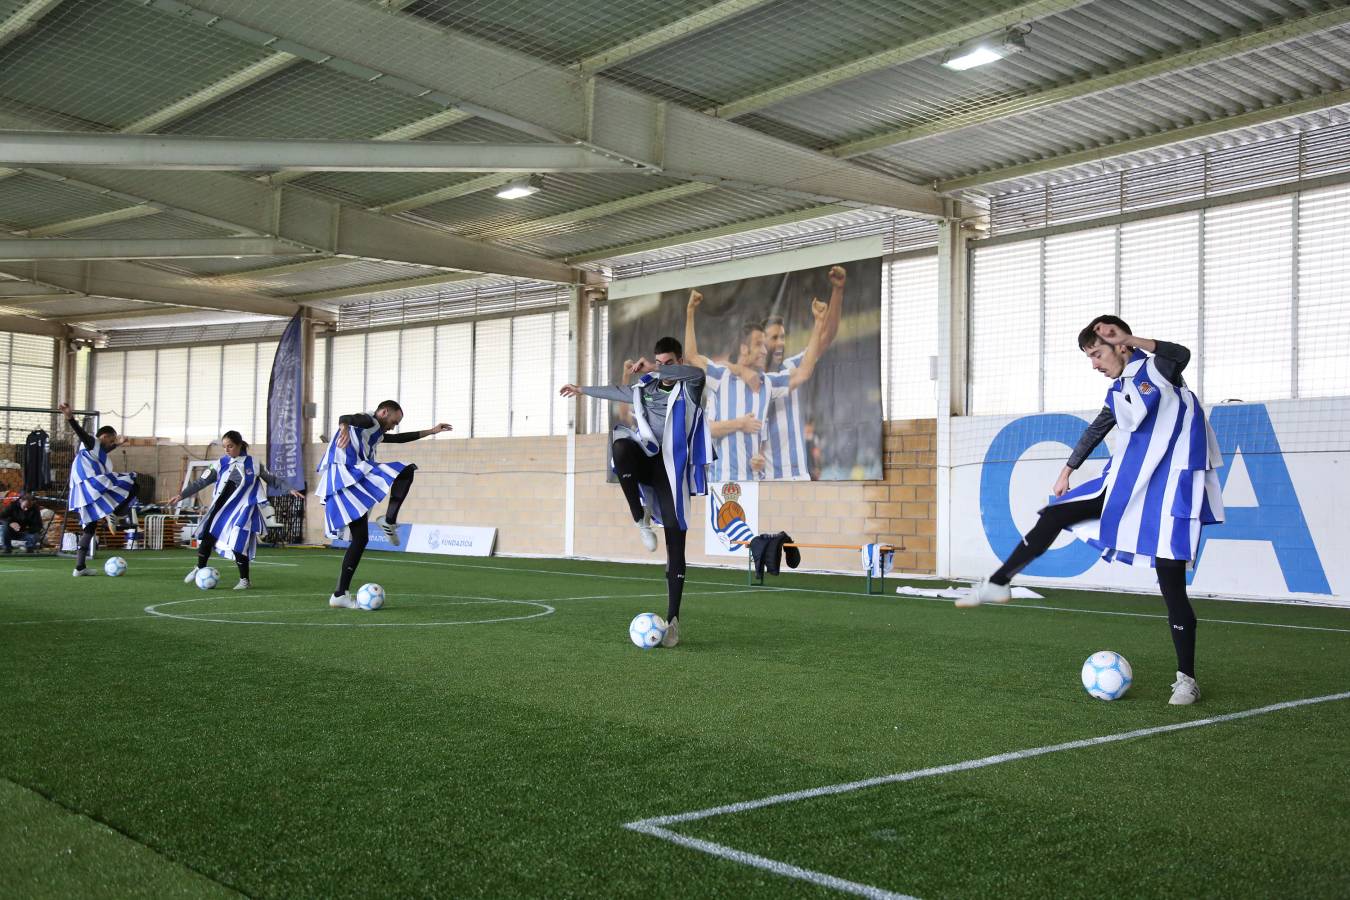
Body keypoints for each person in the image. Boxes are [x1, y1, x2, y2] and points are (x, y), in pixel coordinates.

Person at [958, 317, 1224, 706]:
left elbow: (1180, 353)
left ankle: (1187, 679)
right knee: (1054, 514)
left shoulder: (1158, 369)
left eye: (1097, 353)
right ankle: (999, 581)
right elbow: (1098, 428)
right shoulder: (1119, 392)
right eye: (1090, 356)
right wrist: (1068, 469)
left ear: (1121, 345)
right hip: (1126, 485)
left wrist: (1132, 338)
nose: (1095, 364)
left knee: (1171, 584)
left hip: (1171, 490)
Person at [559, 338, 711, 648]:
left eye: (669, 362)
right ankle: (640, 519)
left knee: (675, 543)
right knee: (620, 446)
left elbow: (695, 374)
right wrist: (582, 389)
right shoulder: (646, 388)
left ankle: (673, 621)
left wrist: (657, 368)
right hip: (645, 459)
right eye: (660, 361)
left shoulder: (691, 387)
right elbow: (617, 391)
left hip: (670, 471)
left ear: (678, 359)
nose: (664, 368)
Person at [316, 400, 451, 609]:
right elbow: (348, 418)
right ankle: (388, 521)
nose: (393, 426)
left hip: (351, 478)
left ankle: (340, 594)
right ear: (384, 412)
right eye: (393, 421)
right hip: (346, 475)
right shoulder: (368, 420)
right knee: (405, 470)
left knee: (360, 539)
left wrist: (431, 431)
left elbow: (397, 439)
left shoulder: (376, 431)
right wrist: (343, 427)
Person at [684, 289, 828, 481]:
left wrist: (818, 323)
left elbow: (803, 372)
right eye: (759, 344)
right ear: (744, 349)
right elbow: (692, 356)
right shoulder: (721, 377)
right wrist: (691, 312)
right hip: (722, 481)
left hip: (754, 484)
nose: (764, 350)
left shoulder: (767, 384)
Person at [169, 431, 304, 590]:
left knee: (238, 542)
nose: (227, 450)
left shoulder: (253, 463)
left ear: (240, 445)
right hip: (222, 509)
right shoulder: (220, 464)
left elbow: (272, 479)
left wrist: (289, 489)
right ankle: (199, 567)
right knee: (207, 536)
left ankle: (244, 580)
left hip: (243, 510)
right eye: (224, 447)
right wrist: (181, 495)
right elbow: (201, 482)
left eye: (230, 446)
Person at [758, 265, 847, 480]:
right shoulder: (752, 382)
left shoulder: (792, 366)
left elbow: (827, 336)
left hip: (798, 477)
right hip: (767, 482)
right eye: (774, 338)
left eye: (783, 337)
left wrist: (837, 291)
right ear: (760, 343)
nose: (781, 343)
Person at [60, 401, 137, 577]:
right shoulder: (91, 441)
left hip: (83, 490)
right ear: (104, 436)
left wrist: (118, 445)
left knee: (90, 526)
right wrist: (70, 417)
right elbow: (80, 433)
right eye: (112, 439)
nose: (112, 442)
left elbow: (104, 451)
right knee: (132, 481)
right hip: (92, 483)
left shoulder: (95, 450)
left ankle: (79, 567)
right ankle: (115, 513)